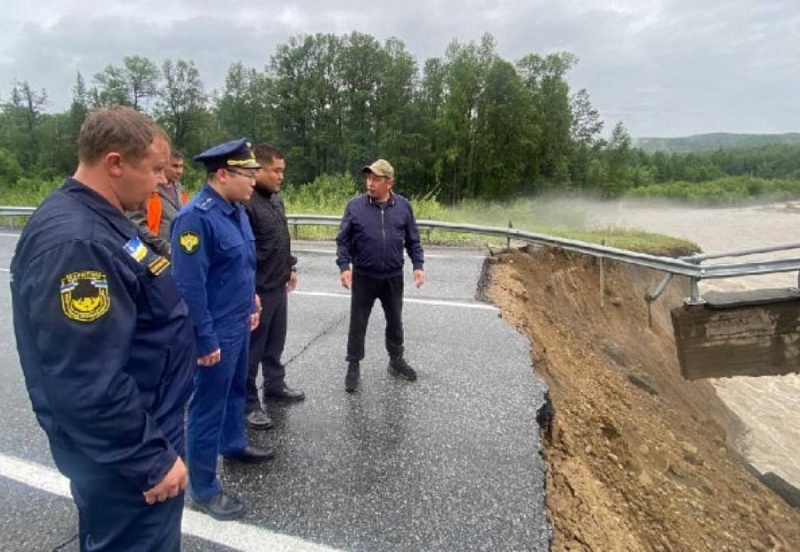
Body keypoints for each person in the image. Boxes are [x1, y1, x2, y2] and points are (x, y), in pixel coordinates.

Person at [10, 106, 195, 551]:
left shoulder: (104, 222)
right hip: (127, 459)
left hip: (143, 431)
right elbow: (85, 379)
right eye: (153, 169)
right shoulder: (79, 244)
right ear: (114, 162)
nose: (163, 181)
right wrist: (149, 459)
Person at [170, 137, 273, 521]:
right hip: (214, 330)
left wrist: (252, 300)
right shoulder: (195, 218)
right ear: (223, 174)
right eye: (248, 174)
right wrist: (203, 338)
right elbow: (189, 286)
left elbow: (240, 266)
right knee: (206, 407)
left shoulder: (237, 211)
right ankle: (203, 488)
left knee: (235, 390)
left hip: (239, 322)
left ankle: (233, 444)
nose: (254, 180)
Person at [336, 158, 425, 393]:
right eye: (368, 178)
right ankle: (353, 365)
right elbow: (343, 240)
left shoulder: (403, 207)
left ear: (389, 182)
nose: (370, 183)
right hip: (364, 277)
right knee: (358, 323)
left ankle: (396, 360)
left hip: (393, 277)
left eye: (375, 179)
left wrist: (418, 265)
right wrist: (344, 267)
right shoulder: (355, 206)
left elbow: (413, 240)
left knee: (395, 321)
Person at [243, 144, 305, 431]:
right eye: (276, 171)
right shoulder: (247, 203)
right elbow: (244, 250)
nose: (281, 176)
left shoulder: (275, 200)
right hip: (258, 289)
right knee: (252, 350)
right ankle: (248, 403)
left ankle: (274, 385)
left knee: (275, 343)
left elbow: (281, 237)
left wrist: (290, 266)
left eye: (283, 171)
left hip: (278, 285)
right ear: (259, 170)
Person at [127, 149, 189, 256]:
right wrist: (165, 247)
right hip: (154, 253)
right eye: (174, 166)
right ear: (163, 166)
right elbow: (137, 225)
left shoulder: (180, 189)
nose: (179, 171)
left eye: (181, 166)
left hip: (180, 251)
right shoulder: (147, 189)